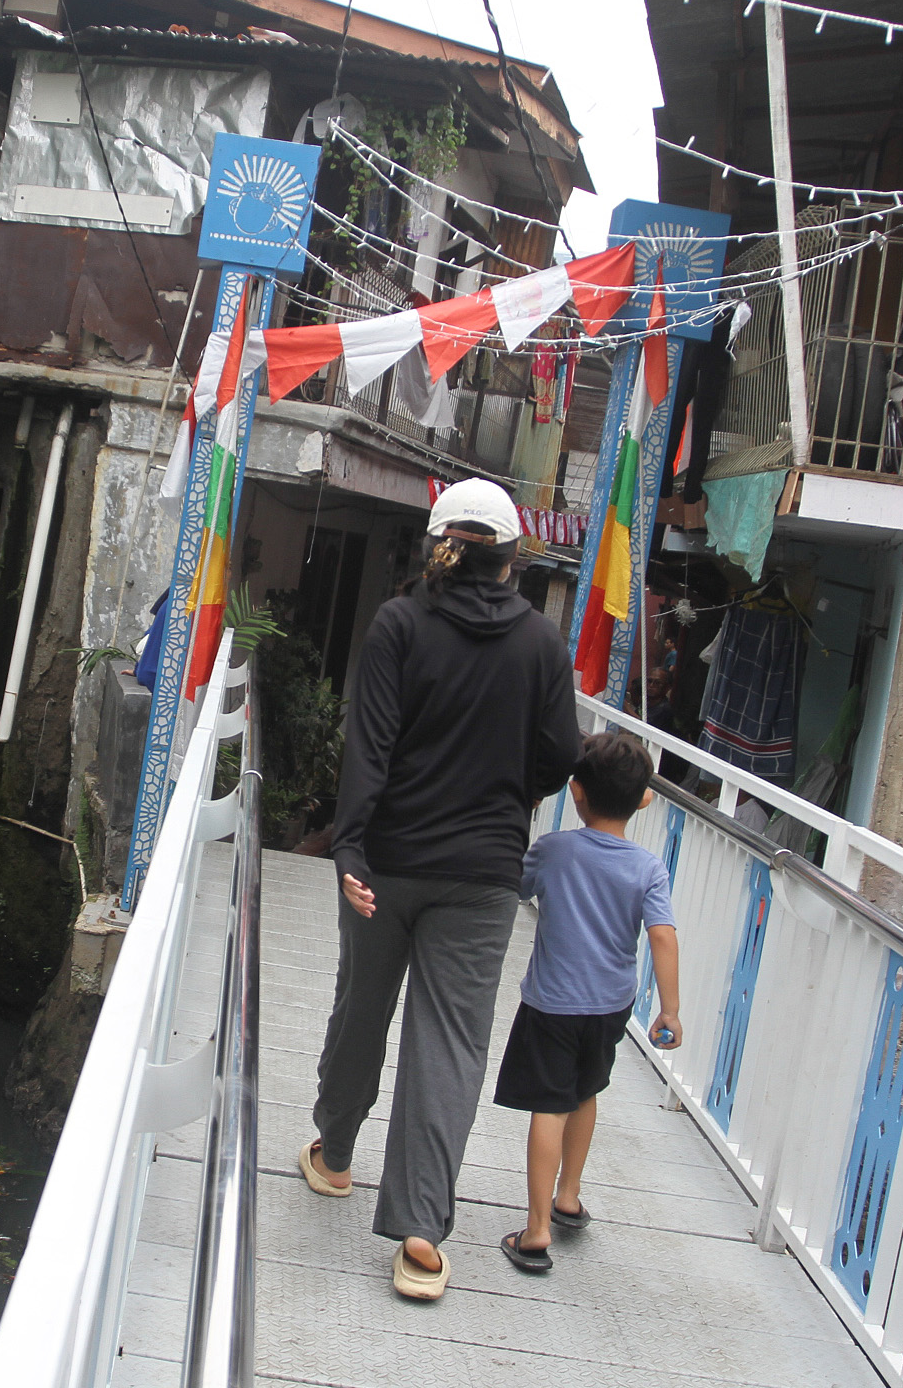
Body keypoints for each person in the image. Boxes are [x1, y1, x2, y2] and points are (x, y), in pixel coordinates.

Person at [299, 477, 582, 1301]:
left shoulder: (397, 624)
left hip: (385, 862)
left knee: (362, 1010)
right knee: (449, 1045)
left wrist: (350, 849)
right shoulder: (541, 642)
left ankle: (337, 1156)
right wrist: (507, 796)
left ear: (438, 545)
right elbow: (560, 755)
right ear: (511, 558)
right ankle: (421, 1230)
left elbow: (369, 748)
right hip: (484, 875)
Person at [489, 729, 682, 1273]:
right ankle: (568, 1197)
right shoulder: (648, 868)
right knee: (585, 1091)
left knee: (548, 1103)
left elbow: (513, 887)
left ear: (575, 791)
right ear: (643, 799)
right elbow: (663, 936)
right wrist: (668, 1009)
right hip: (611, 1006)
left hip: (552, 1003)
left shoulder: (553, 852)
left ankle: (535, 1229)